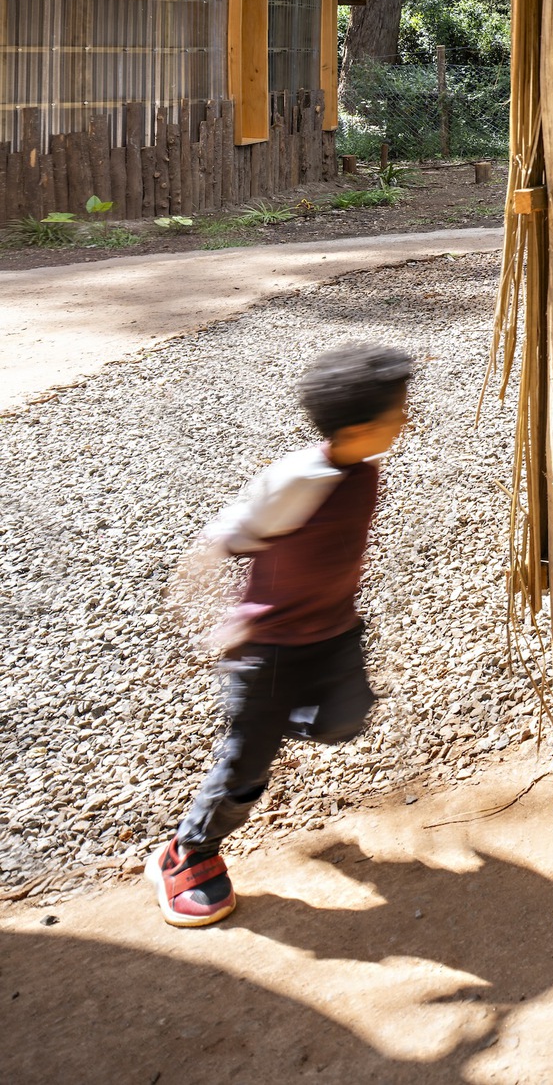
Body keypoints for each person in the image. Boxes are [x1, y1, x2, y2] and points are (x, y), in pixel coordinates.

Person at [147, 343, 415, 927]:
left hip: (335, 629)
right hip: (271, 646)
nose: (406, 421)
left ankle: (272, 724)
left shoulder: (362, 469)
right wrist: (206, 608)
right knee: (246, 766)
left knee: (345, 720)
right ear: (359, 427)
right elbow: (227, 533)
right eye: (397, 414)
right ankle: (186, 852)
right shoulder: (298, 479)